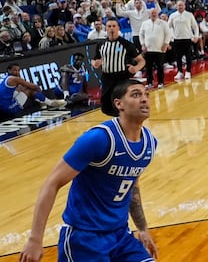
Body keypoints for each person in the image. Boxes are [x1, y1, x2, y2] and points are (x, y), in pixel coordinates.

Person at [19, 80, 159, 262]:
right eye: (136, 95)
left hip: (120, 236)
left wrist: (142, 228)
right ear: (119, 104)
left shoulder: (149, 143)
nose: (144, 99)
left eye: (146, 94)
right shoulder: (98, 139)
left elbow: (132, 186)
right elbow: (52, 183)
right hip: (84, 239)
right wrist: (35, 239)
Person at [91, 17, 145, 116]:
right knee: (106, 107)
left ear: (118, 28)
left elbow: (141, 61)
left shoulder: (126, 44)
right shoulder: (101, 44)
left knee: (121, 104)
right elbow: (94, 59)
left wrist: (136, 68)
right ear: (106, 28)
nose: (111, 28)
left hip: (121, 77)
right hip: (107, 77)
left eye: (114, 26)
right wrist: (95, 63)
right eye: (109, 26)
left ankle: (123, 121)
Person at [0, 64, 66, 118]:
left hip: (2, 108)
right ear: (9, 70)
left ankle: (43, 102)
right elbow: (34, 86)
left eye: (18, 70)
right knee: (30, 89)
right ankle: (51, 103)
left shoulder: (4, 77)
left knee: (21, 87)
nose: (17, 72)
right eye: (14, 70)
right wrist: (39, 91)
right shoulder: (14, 79)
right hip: (9, 109)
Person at [139, 8, 172, 89]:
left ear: (157, 14)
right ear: (149, 14)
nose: (153, 14)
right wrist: (143, 44)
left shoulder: (163, 23)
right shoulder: (145, 23)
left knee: (160, 67)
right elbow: (141, 35)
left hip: (159, 49)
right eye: (152, 13)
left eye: (155, 12)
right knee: (148, 67)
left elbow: (168, 34)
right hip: (148, 49)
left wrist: (166, 44)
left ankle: (161, 82)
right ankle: (150, 82)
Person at [168, 0, 200, 80]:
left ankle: (188, 71)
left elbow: (195, 26)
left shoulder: (189, 15)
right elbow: (168, 27)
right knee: (178, 57)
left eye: (182, 5)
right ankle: (180, 72)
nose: (180, 7)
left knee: (188, 56)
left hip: (187, 38)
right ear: (176, 6)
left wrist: (196, 36)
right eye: (179, 5)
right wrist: (170, 37)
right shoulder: (172, 15)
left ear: (184, 6)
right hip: (177, 39)